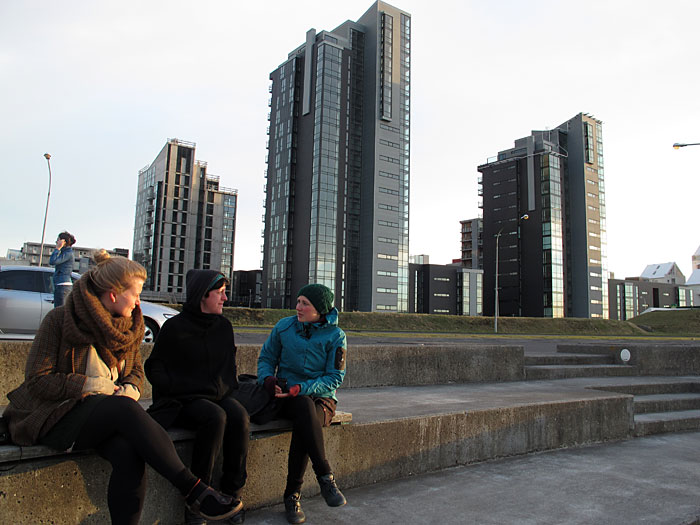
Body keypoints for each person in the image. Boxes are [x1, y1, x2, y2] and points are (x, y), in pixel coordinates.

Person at [4, 250, 241, 525]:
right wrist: (92, 385)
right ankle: (194, 489)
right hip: (56, 415)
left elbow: (137, 372)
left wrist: (130, 389)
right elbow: (37, 380)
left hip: (105, 417)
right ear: (114, 294)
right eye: (136, 294)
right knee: (123, 409)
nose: (140, 302)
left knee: (130, 453)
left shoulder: (130, 326)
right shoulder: (59, 320)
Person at [146, 270, 248, 525]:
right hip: (182, 399)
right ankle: (200, 499)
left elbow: (229, 368)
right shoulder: (175, 327)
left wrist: (225, 388)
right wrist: (174, 385)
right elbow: (154, 367)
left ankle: (231, 494)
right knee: (215, 417)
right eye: (220, 292)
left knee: (239, 415)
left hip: (215, 395)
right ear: (203, 295)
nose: (225, 298)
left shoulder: (223, 326)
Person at [257, 283, 348, 524]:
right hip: (286, 396)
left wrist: (302, 388)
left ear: (319, 309)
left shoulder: (336, 336)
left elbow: (335, 377)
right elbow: (266, 358)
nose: (298, 307)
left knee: (306, 418)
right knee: (303, 412)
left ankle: (292, 496)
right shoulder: (284, 327)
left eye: (305, 303)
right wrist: (268, 380)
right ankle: (325, 478)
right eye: (298, 301)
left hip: (321, 398)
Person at [49, 231, 76, 307]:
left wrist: (57, 248)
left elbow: (53, 261)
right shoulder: (65, 252)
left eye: (58, 240)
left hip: (63, 285)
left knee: (60, 312)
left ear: (63, 242)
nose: (56, 242)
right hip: (60, 284)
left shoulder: (68, 253)